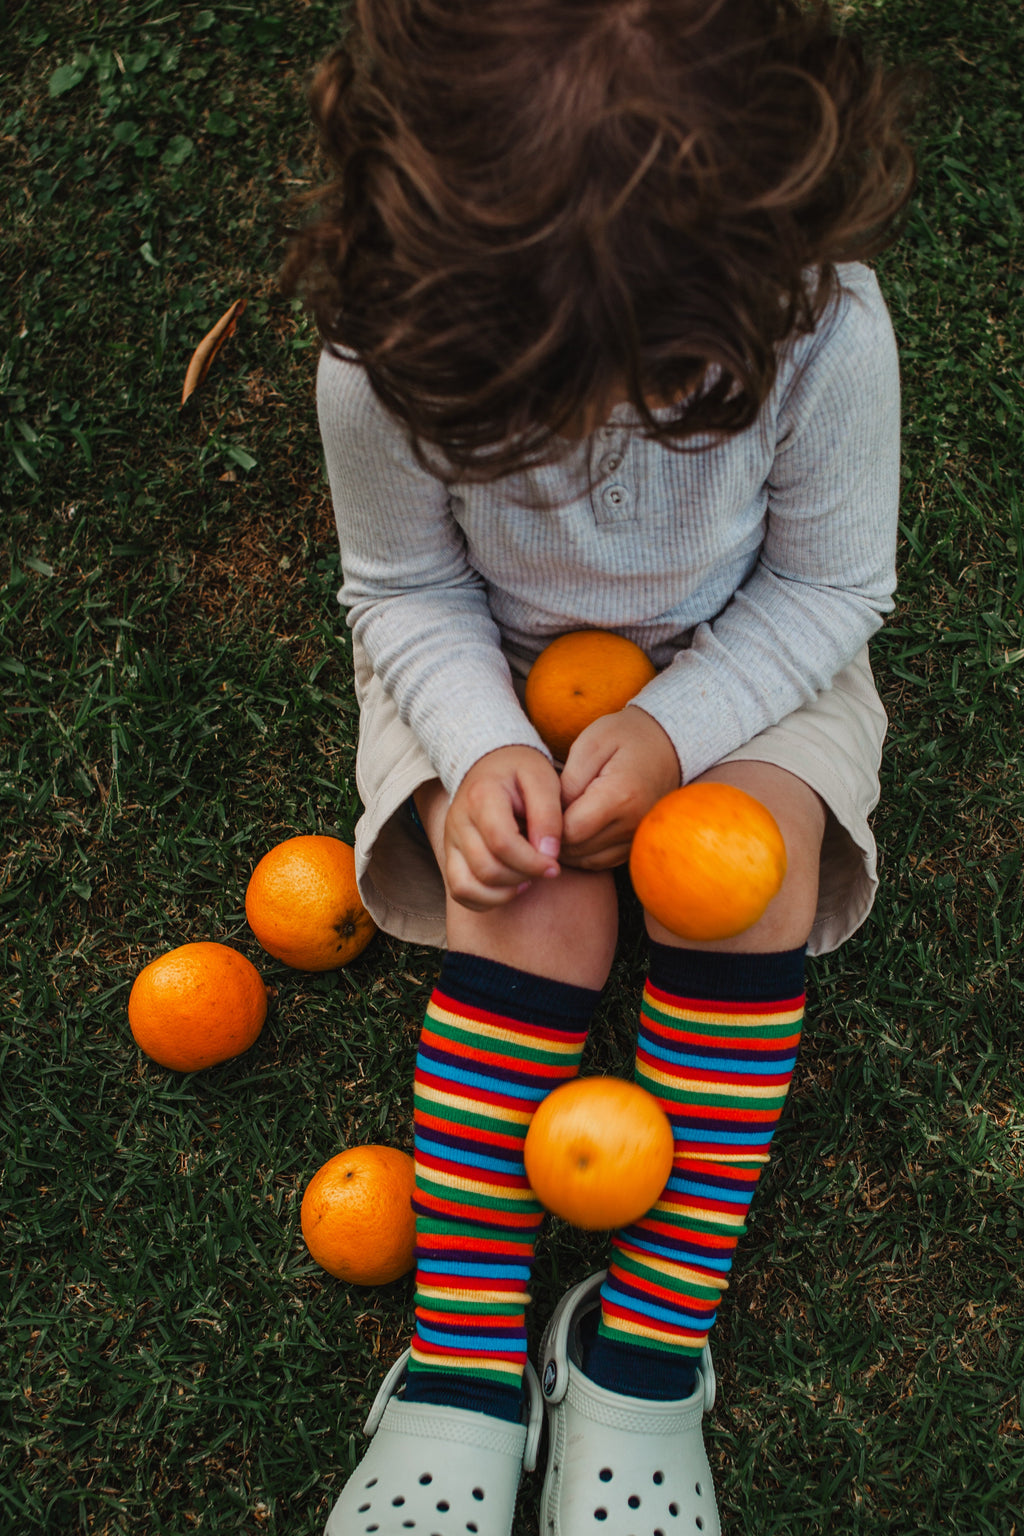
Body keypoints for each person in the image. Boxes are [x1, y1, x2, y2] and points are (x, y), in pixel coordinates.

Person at [283, 1, 915, 1531]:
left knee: (736, 886)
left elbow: (832, 594)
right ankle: (463, 1354)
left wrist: (684, 725)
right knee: (534, 912)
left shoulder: (824, 331)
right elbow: (403, 594)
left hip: (748, 668)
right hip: (487, 679)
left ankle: (643, 1347)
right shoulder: (385, 363)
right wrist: (490, 743)